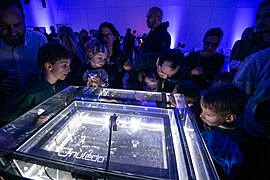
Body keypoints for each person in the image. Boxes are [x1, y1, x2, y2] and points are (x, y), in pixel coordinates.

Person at [0, 43, 72, 127]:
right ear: (49, 66)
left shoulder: (64, 86)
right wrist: (33, 123)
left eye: (69, 65)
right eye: (64, 65)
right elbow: (6, 118)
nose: (69, 69)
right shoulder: (30, 92)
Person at [200, 83, 255, 179]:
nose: (201, 116)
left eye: (208, 115)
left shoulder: (235, 144)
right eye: (202, 110)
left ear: (229, 118)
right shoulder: (212, 124)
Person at [0, 0, 48, 109]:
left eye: (17, 25)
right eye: (4, 26)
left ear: (24, 19)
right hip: (5, 108)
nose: (12, 32)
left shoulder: (39, 40)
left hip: (38, 104)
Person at [97, 22, 131, 89]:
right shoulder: (96, 56)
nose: (105, 38)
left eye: (108, 35)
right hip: (100, 92)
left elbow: (132, 75)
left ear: (115, 37)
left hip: (117, 92)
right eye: (103, 35)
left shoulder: (122, 56)